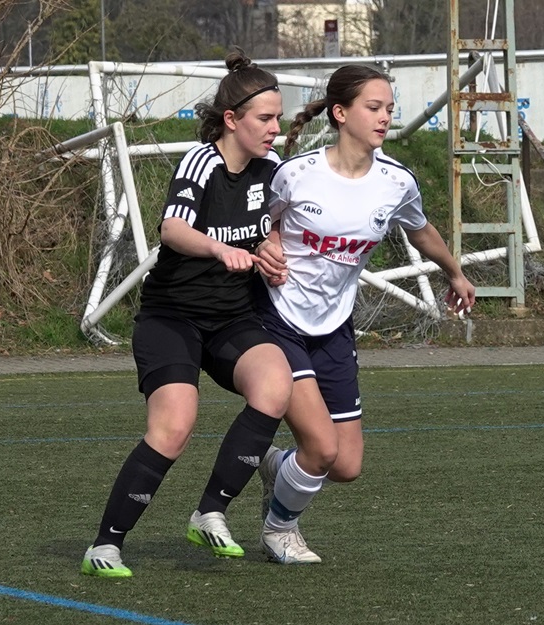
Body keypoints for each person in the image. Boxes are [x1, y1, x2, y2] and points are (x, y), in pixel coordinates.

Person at [251, 65, 476, 564]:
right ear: (340, 113)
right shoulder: (296, 174)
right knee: (321, 449)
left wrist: (455, 273)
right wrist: (267, 241)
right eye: (373, 107)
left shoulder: (396, 182)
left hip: (334, 327)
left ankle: (277, 467)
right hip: (278, 319)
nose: (384, 117)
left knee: (346, 465)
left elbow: (421, 230)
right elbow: (257, 221)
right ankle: (279, 531)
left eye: (389, 108)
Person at [80, 50, 292, 578]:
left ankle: (210, 512)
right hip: (172, 319)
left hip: (231, 319)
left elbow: (275, 231)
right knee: (174, 426)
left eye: (278, 117)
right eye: (265, 118)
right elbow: (172, 230)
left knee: (274, 385)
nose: (275, 128)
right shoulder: (202, 162)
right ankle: (105, 546)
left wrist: (272, 249)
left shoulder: (272, 172)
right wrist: (220, 249)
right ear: (231, 120)